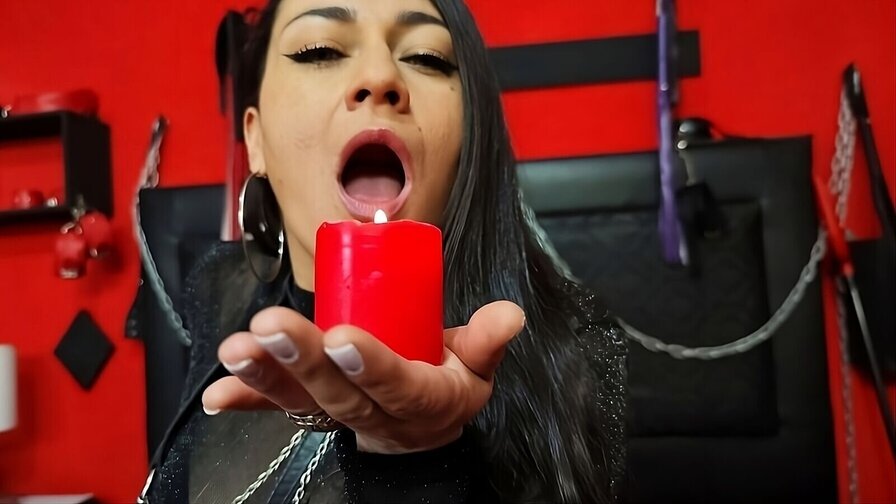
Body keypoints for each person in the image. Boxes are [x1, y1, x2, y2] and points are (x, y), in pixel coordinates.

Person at [140, 0, 626, 502]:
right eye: (319, 50)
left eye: (426, 57)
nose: (379, 76)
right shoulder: (219, 285)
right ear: (256, 138)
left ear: (469, 136)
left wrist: (414, 458)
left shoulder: (573, 349)